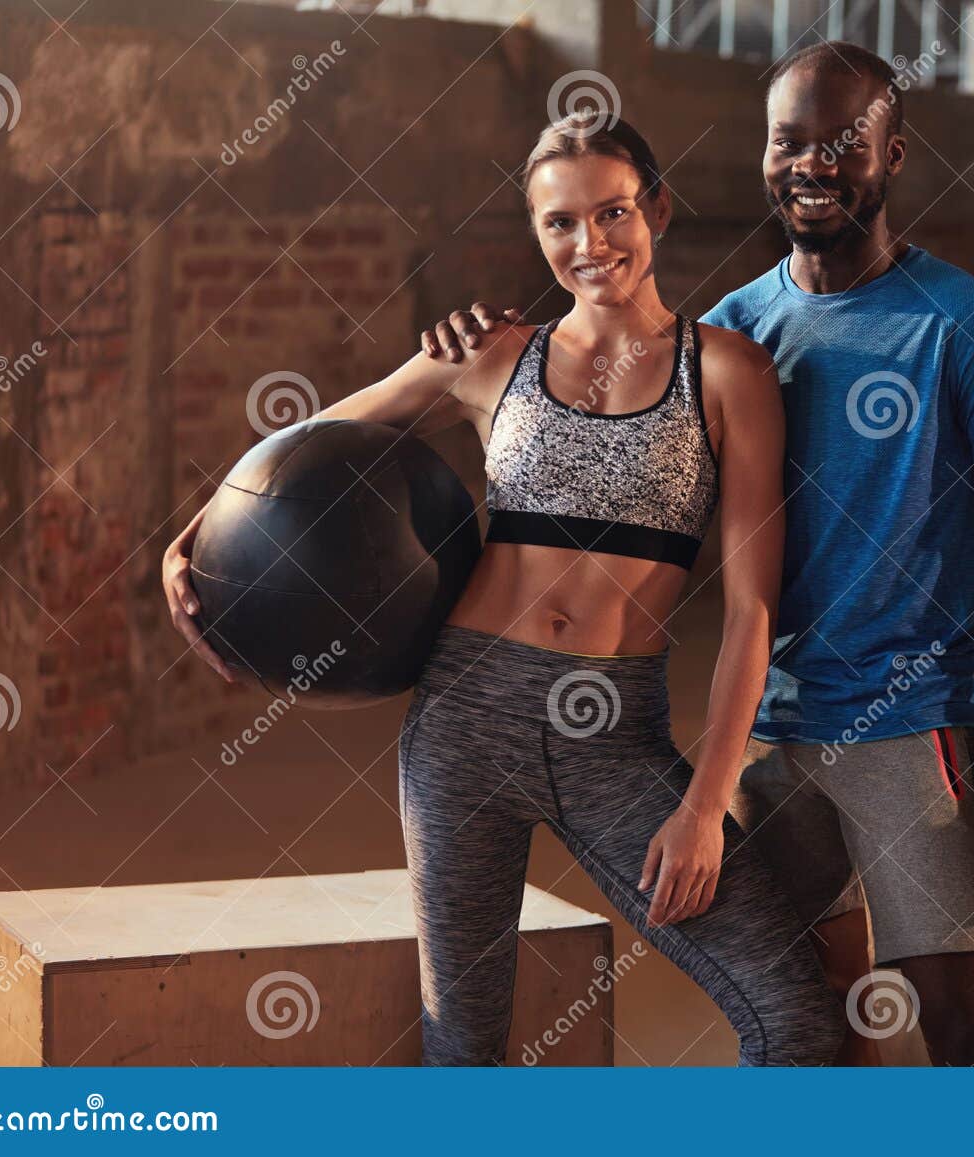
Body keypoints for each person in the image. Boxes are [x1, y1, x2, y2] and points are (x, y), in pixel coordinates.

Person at [421, 41, 974, 1066]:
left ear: (891, 154)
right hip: (771, 736)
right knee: (809, 1009)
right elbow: (595, 427)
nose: (811, 164)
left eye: (840, 144)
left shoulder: (969, 326)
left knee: (962, 1027)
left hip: (909, 729)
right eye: (788, 142)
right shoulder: (735, 332)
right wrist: (482, 343)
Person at [161, 111, 845, 1066]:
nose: (590, 244)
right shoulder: (489, 353)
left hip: (615, 733)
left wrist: (703, 807)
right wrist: (187, 541)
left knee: (791, 1015)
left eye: (613, 213)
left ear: (659, 209)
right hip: (463, 719)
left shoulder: (728, 370)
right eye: (559, 223)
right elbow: (307, 448)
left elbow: (751, 612)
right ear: (536, 233)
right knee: (465, 1045)